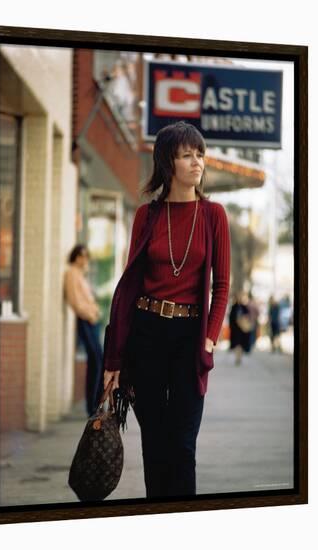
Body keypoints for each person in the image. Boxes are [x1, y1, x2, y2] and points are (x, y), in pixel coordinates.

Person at [102, 121, 231, 499]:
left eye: (200, 154)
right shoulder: (147, 216)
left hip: (189, 339)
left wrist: (209, 339)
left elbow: (221, 286)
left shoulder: (213, 215)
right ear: (167, 162)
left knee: (182, 445)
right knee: (155, 445)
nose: (197, 162)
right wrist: (116, 357)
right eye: (187, 155)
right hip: (147, 335)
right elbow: (128, 289)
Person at [64, 244, 104, 417]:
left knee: (98, 360)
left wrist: (95, 311)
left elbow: (88, 299)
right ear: (76, 256)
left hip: (92, 320)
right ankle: (92, 405)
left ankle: (95, 403)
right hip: (85, 321)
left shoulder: (81, 274)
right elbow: (75, 301)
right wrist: (90, 313)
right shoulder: (71, 273)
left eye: (87, 256)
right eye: (82, 255)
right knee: (96, 359)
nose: (85, 259)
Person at [229, 290, 253, 365]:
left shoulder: (244, 307)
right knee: (237, 344)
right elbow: (231, 318)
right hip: (236, 329)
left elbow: (248, 317)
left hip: (242, 329)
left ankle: (239, 357)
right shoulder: (234, 307)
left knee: (241, 344)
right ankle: (237, 357)